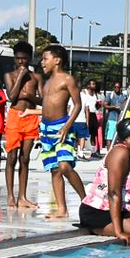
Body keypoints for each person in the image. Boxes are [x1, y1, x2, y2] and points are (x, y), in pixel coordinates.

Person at [38, 45, 87, 219]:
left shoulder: (68, 79)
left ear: (57, 60)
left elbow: (78, 104)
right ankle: (61, 209)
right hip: (46, 129)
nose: (42, 62)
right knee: (54, 169)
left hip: (62, 127)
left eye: (45, 58)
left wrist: (67, 125)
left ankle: (86, 201)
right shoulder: (47, 82)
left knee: (65, 166)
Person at [3, 41, 43, 209]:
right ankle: (10, 196)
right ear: (14, 58)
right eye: (18, 59)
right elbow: (12, 97)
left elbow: (42, 99)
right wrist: (20, 76)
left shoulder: (37, 77)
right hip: (15, 116)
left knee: (25, 158)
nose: (21, 62)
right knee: (11, 157)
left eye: (25, 59)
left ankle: (23, 197)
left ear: (30, 59)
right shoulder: (9, 75)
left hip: (30, 117)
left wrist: (30, 96)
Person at [76, 79, 98, 159]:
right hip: (84, 115)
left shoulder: (95, 94)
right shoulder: (84, 93)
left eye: (94, 84)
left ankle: (93, 151)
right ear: (88, 85)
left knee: (94, 133)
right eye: (92, 84)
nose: (94, 85)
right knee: (81, 134)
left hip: (93, 114)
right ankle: (79, 150)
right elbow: (86, 108)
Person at [103, 81, 128, 146]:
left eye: (118, 87)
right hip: (112, 118)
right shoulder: (110, 95)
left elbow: (127, 105)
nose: (117, 88)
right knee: (109, 137)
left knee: (119, 137)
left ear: (120, 88)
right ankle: (108, 152)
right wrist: (113, 107)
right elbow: (105, 105)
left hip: (121, 118)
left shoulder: (123, 96)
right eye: (115, 87)